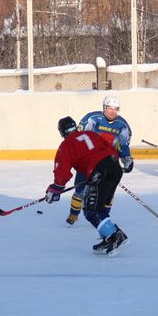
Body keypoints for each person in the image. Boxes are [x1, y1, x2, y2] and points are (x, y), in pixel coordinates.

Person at [46, 116, 129, 256]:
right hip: (114, 167)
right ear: (76, 127)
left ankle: (116, 236)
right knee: (100, 207)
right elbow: (109, 148)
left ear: (61, 133)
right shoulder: (90, 134)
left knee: (91, 211)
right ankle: (108, 237)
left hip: (100, 171)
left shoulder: (66, 145)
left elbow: (62, 170)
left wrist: (55, 189)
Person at [65, 95, 133, 225]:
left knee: (107, 192)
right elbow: (81, 137)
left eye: (115, 109)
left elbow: (123, 144)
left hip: (108, 162)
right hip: (88, 161)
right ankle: (73, 214)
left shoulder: (122, 125)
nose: (112, 111)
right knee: (80, 189)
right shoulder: (93, 119)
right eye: (109, 108)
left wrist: (127, 159)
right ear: (104, 108)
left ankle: (104, 216)